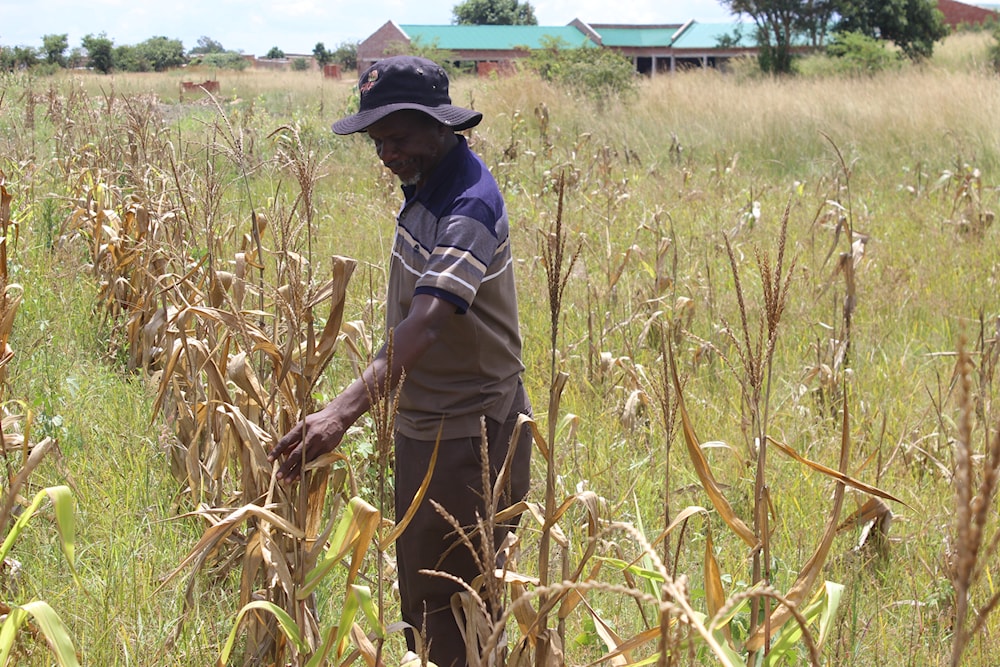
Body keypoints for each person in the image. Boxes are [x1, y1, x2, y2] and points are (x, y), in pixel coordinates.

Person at [267, 55, 532, 667]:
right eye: (378, 140)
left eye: (400, 137)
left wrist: (339, 412)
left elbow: (429, 322)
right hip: (426, 420)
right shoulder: (428, 185)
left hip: (469, 431)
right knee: (422, 590)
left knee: (454, 600)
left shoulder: (467, 206)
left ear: (441, 125)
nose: (388, 153)